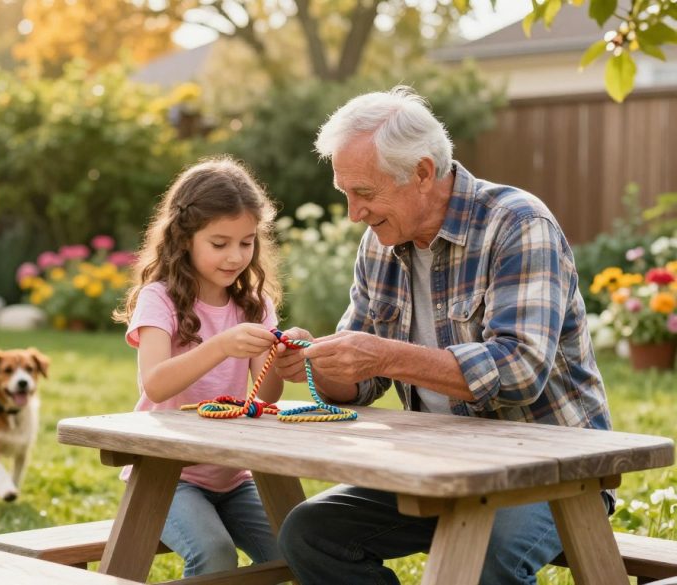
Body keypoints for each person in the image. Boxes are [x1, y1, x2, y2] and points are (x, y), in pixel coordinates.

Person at [272, 86, 612, 585]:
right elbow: (361, 388)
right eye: (345, 193)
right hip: (441, 465)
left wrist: (381, 354)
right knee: (310, 532)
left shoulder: (518, 224)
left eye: (364, 193)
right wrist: (321, 362)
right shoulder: (379, 244)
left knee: (480, 558)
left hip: (554, 468)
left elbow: (520, 371)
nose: (353, 213)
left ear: (423, 173)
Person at [113, 157, 285, 578]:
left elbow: (266, 396)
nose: (235, 256)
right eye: (220, 243)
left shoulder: (255, 305)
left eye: (247, 243)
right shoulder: (161, 299)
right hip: (166, 477)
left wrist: (283, 355)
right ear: (184, 237)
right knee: (214, 554)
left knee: (292, 548)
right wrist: (222, 346)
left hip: (232, 474)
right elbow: (155, 384)